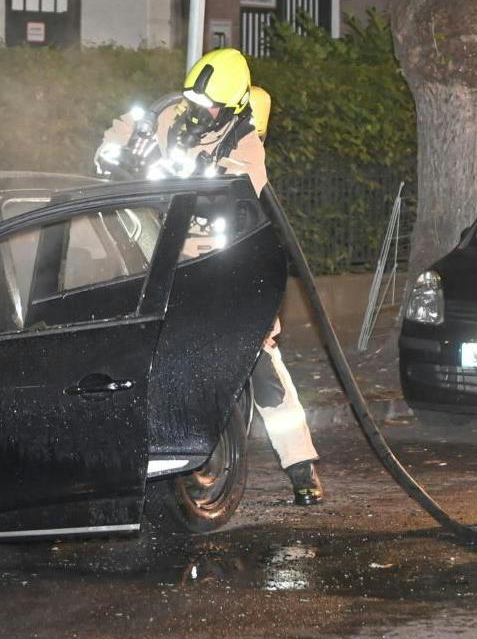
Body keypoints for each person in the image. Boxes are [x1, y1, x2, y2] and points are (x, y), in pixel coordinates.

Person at [97, 49, 325, 506]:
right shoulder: (164, 116)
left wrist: (158, 175)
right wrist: (114, 159)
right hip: (170, 262)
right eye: (194, 102)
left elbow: (225, 196)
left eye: (210, 107)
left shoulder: (245, 144)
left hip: (228, 266)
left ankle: (301, 466)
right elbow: (111, 147)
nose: (198, 112)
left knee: (262, 364)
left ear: (234, 107)